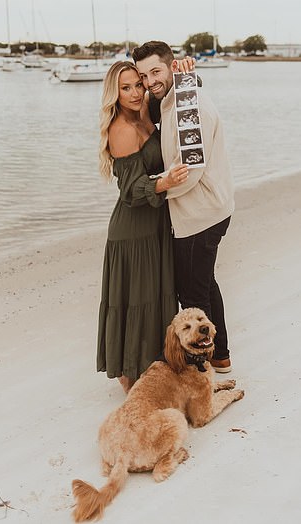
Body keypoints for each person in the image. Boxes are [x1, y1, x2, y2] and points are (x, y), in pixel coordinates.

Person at [133, 42, 235, 373]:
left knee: (192, 295)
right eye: (143, 75)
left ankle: (200, 371)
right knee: (204, 283)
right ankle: (220, 355)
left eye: (156, 72)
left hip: (200, 213)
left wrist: (154, 188)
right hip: (207, 207)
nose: (149, 82)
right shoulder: (171, 97)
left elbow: (189, 173)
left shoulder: (190, 107)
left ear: (172, 66)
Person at [96, 61, 189, 393]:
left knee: (155, 296)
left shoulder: (146, 108)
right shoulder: (121, 128)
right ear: (115, 93)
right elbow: (132, 191)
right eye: (126, 88)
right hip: (133, 230)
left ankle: (156, 365)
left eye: (138, 84)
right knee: (136, 301)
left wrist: (186, 72)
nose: (136, 92)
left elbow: (181, 97)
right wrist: (165, 183)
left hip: (156, 223)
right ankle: (131, 379)